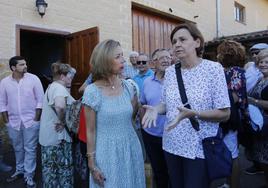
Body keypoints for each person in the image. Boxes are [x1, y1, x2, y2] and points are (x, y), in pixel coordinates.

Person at [142, 23, 230, 188]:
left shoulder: (213, 69)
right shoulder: (170, 72)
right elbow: (166, 104)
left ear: (197, 42)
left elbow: (225, 113)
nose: (177, 44)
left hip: (198, 148)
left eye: (182, 39)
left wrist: (194, 113)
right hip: (171, 144)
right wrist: (155, 109)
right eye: (174, 41)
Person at [82, 39, 145, 187]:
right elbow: (90, 131)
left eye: (122, 55)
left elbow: (131, 118)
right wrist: (92, 163)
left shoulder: (129, 87)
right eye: (117, 56)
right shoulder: (92, 92)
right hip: (107, 152)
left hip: (131, 148)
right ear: (104, 60)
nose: (123, 60)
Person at [0, 56, 44, 187]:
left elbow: (40, 100)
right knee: (17, 148)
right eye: (21, 64)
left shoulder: (33, 79)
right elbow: (2, 103)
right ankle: (19, 170)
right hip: (13, 122)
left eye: (25, 64)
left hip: (31, 121)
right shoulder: (5, 82)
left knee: (30, 149)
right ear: (13, 68)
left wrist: (36, 120)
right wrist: (6, 122)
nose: (25, 66)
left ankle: (28, 176)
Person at [217, 40, 248, 188]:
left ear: (226, 54)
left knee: (232, 154)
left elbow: (235, 97)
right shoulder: (239, 72)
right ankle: (228, 184)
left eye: (220, 52)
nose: (217, 55)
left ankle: (233, 184)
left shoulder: (232, 72)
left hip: (230, 117)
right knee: (230, 151)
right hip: (231, 116)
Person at [39, 62, 76, 187]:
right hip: (58, 137)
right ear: (62, 76)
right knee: (62, 170)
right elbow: (60, 106)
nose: (71, 78)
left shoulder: (52, 86)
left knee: (50, 171)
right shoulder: (59, 88)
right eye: (69, 76)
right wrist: (62, 121)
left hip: (49, 137)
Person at [140, 48, 171, 188]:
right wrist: (143, 125)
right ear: (154, 63)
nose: (166, 60)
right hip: (151, 135)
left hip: (172, 134)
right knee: (158, 171)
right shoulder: (147, 82)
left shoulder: (176, 81)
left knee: (173, 171)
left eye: (168, 57)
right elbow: (143, 104)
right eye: (162, 58)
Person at [244, 43, 268, 176]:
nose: (263, 64)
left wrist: (255, 102)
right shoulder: (260, 79)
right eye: (261, 62)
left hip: (266, 125)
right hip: (260, 126)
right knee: (263, 160)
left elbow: (254, 100)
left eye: (267, 62)